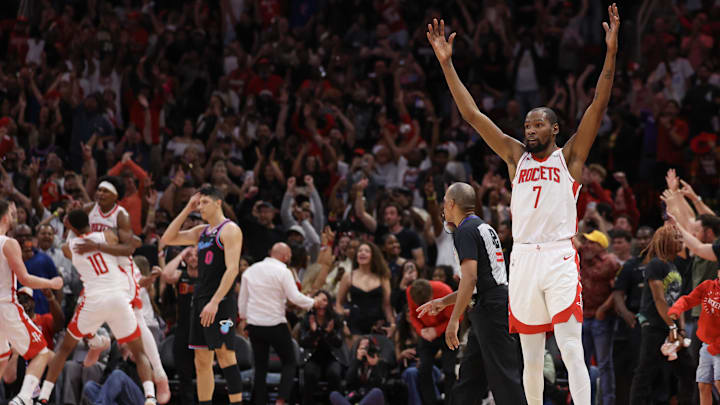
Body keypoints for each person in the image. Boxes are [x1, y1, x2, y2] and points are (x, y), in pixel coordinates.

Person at [425, 4, 620, 404]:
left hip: (559, 255)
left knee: (569, 348)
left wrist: (611, 52)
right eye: (527, 124)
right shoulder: (516, 158)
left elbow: (598, 102)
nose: (529, 129)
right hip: (524, 258)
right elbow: (473, 115)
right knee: (529, 356)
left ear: (554, 128)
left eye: (537, 124)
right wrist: (447, 65)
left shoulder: (571, 157)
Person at [417, 182, 525, 405]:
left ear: (451, 203)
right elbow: (479, 283)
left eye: (444, 203)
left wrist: (454, 320)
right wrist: (444, 301)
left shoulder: (464, 231)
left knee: (504, 379)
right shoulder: (483, 226)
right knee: (469, 379)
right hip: (491, 304)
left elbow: (470, 279)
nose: (443, 208)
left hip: (491, 309)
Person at [38, 209, 157, 405]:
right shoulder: (108, 235)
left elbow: (69, 243)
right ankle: (150, 397)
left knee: (64, 349)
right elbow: (133, 243)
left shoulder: (70, 246)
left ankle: (43, 396)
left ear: (70, 227)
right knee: (139, 352)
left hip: (94, 300)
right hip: (118, 298)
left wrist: (71, 228)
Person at [76, 175, 171, 403]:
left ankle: (160, 375)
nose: (99, 195)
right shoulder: (89, 210)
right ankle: (95, 342)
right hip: (99, 270)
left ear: (115, 196)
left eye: (105, 191)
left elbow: (134, 242)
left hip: (119, 267)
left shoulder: (121, 215)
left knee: (137, 318)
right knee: (83, 307)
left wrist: (112, 242)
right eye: (98, 190)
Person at [160, 186, 245, 405]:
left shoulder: (230, 230)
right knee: (201, 360)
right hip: (199, 300)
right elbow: (168, 238)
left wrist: (215, 302)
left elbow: (232, 269)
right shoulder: (202, 231)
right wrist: (188, 208)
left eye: (204, 202)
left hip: (222, 302)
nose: (201, 207)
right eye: (199, 203)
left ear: (218, 203)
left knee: (226, 356)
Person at [238, 242, 324, 405]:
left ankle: (260, 402)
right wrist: (313, 302)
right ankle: (281, 400)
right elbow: (295, 297)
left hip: (255, 325)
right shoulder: (283, 271)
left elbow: (243, 300)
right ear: (285, 256)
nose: (291, 257)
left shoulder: (250, 270)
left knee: (260, 366)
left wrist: (244, 318)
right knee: (290, 361)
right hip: (275, 324)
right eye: (290, 254)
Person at [0, 201, 64, 405]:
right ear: (4, 217)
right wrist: (51, 283)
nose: (13, 216)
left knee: (2, 359)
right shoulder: (8, 243)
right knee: (41, 353)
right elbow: (25, 279)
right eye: (11, 213)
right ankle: (22, 400)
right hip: (5, 305)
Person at [629, 224, 695, 404]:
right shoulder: (656, 264)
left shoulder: (673, 266)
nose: (681, 241)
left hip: (671, 328)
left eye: (681, 238)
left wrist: (680, 330)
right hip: (655, 326)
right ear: (665, 241)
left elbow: (677, 302)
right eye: (677, 238)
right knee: (645, 373)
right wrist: (672, 326)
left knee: (688, 371)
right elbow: (659, 299)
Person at [668, 265, 720, 405]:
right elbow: (688, 299)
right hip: (706, 345)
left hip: (717, 347)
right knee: (703, 385)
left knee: (719, 383)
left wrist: (715, 348)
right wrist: (676, 309)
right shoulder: (707, 286)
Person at [407, 278, 456, 405]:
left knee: (449, 370)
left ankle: (450, 402)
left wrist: (437, 330)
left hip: (446, 330)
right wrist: (421, 330)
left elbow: (457, 317)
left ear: (432, 295)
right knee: (423, 369)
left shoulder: (444, 291)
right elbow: (413, 315)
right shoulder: (410, 291)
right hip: (426, 332)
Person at [160, 245, 198, 405]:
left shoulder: (208, 275)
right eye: (190, 256)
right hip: (183, 329)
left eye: (197, 255)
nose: (193, 258)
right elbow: (165, 274)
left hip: (203, 330)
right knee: (184, 375)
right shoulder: (180, 275)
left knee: (204, 372)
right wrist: (182, 254)